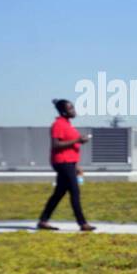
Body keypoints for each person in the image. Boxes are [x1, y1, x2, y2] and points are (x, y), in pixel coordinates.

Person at [37, 99, 96, 231]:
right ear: (63, 111)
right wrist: (78, 140)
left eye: (73, 108)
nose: (73, 111)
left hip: (69, 163)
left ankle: (43, 221)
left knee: (59, 193)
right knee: (74, 192)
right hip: (62, 162)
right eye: (70, 109)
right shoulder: (58, 125)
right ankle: (82, 223)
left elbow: (70, 146)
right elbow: (56, 145)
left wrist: (75, 165)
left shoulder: (67, 125)